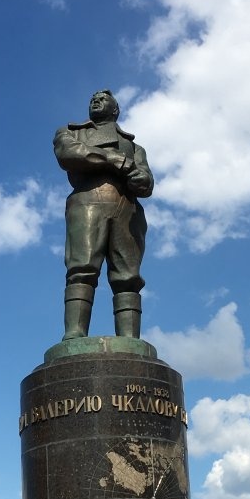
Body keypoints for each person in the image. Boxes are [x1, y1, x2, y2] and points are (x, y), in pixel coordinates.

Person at [53, 89, 154, 340]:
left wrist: (140, 178)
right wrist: (112, 159)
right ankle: (74, 334)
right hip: (87, 202)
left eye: (102, 99)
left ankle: (130, 340)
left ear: (115, 109)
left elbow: (147, 184)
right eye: (92, 99)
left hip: (126, 209)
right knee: (81, 268)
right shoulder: (72, 133)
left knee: (128, 278)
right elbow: (69, 154)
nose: (96, 101)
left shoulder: (134, 147)